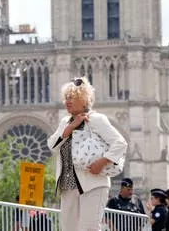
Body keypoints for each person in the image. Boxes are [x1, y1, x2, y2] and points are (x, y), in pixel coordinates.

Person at [47, 77, 128, 231]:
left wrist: (102, 162)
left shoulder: (96, 119)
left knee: (89, 228)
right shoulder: (65, 122)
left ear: (84, 100)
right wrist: (71, 127)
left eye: (71, 98)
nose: (67, 101)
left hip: (93, 183)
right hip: (68, 185)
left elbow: (120, 143)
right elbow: (52, 145)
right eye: (66, 98)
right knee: (68, 228)